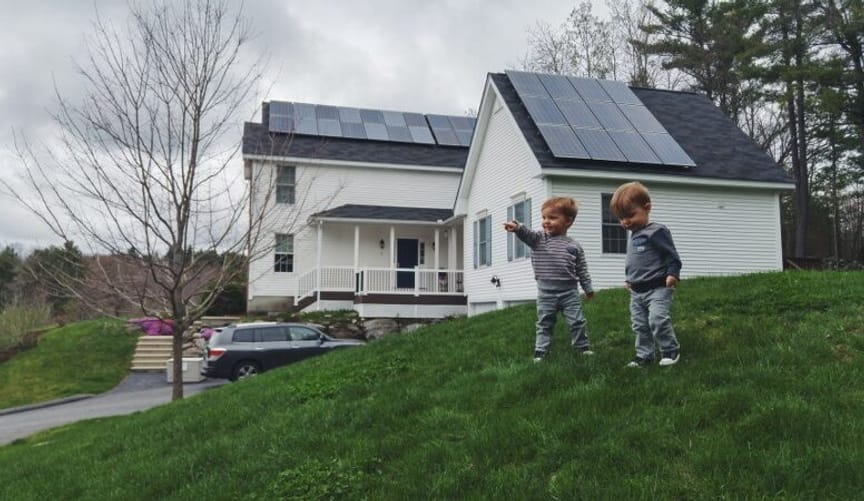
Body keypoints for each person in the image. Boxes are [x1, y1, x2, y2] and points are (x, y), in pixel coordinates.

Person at [503, 196, 594, 361]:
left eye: (552, 218)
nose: (546, 221)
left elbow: (582, 270)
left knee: (577, 321)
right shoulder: (538, 239)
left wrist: (588, 288)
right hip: (546, 292)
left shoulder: (574, 245)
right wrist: (517, 227)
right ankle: (541, 351)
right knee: (545, 322)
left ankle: (582, 348)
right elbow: (526, 234)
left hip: (569, 292)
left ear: (568, 221)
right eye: (544, 217)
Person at [609, 181, 682, 367]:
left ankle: (670, 350)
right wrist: (629, 278)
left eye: (630, 216)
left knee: (657, 319)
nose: (625, 222)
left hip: (658, 287)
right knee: (640, 325)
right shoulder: (634, 233)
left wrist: (673, 274)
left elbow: (672, 256)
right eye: (621, 218)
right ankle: (645, 355)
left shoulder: (657, 231)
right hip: (637, 290)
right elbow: (637, 260)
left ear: (647, 207)